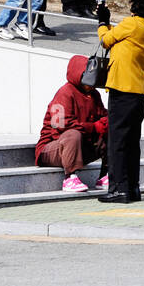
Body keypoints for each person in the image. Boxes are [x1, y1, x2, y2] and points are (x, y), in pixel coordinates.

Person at [95, 0, 144, 203]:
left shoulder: (131, 24)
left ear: (136, 4)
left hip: (122, 90)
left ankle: (118, 189)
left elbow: (106, 40)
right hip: (138, 91)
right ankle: (132, 188)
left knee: (118, 142)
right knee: (131, 143)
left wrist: (102, 21)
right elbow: (119, 38)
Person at [36, 55, 110, 192]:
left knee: (110, 131)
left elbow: (104, 116)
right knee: (72, 134)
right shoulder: (65, 92)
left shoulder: (94, 95)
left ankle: (105, 175)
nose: (91, 82)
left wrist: (104, 123)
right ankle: (70, 178)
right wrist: (93, 127)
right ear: (79, 75)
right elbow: (60, 125)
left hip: (78, 146)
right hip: (51, 148)